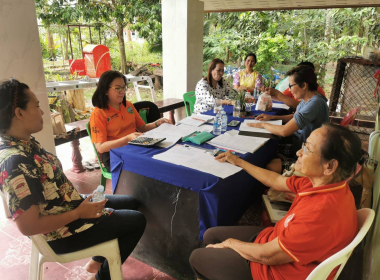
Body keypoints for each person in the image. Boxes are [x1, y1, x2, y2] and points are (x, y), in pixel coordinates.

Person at [0, 79, 146, 280]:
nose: (42, 112)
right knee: (136, 221)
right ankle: (101, 277)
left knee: (131, 201)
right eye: (37, 106)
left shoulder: (25, 143)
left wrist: (79, 204)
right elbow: (28, 226)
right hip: (61, 234)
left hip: (69, 206)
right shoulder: (15, 161)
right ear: (19, 113)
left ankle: (96, 261)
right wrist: (79, 213)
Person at [190, 123, 362, 280]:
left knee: (197, 257)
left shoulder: (320, 215)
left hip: (274, 272)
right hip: (276, 240)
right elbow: (276, 180)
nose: (298, 153)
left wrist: (231, 244)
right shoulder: (326, 185)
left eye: (307, 149)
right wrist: (239, 162)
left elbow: (267, 256)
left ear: (330, 166)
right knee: (210, 235)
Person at [248, 65, 329, 172]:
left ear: (304, 85)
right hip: (299, 145)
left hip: (309, 155)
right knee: (266, 150)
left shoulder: (315, 103)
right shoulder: (308, 99)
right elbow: (295, 117)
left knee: (270, 165)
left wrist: (263, 124)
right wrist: (273, 117)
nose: (290, 89)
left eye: (291, 86)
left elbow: (285, 131)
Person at [90, 70, 172, 171]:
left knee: (163, 156)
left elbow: (142, 127)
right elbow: (101, 147)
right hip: (114, 154)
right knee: (147, 166)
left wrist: (157, 123)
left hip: (134, 146)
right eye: (117, 88)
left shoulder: (127, 105)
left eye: (123, 87)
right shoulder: (98, 113)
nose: (122, 92)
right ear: (105, 90)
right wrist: (127, 138)